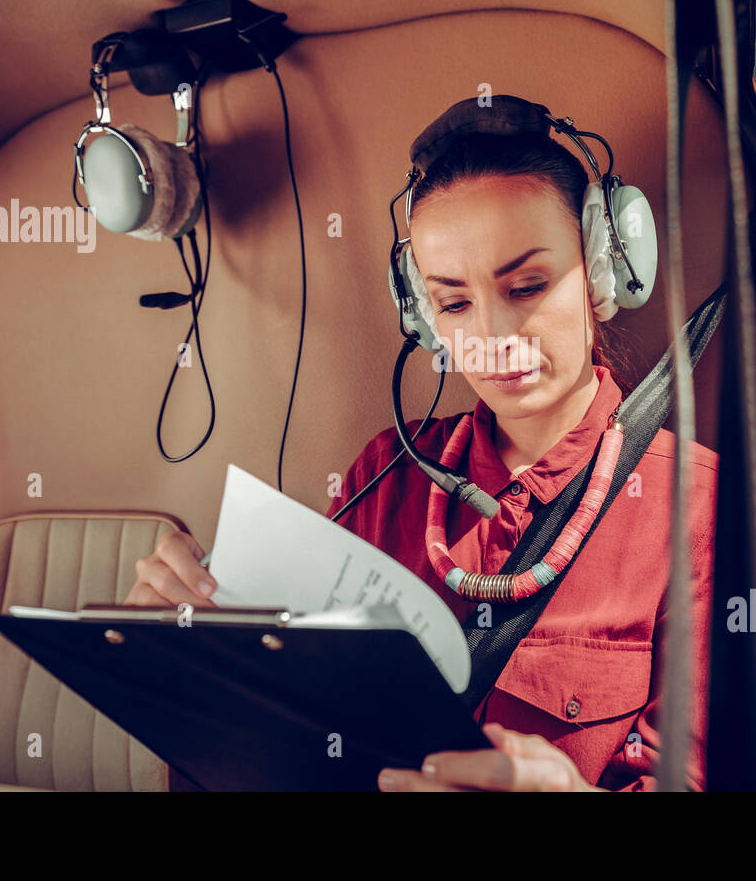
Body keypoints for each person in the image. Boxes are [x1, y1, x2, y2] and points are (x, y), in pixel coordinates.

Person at [127, 121, 719, 791]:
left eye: (526, 286)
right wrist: (197, 652)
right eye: (454, 302)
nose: (490, 335)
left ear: (602, 274)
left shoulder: (693, 503)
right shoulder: (386, 473)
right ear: (424, 317)